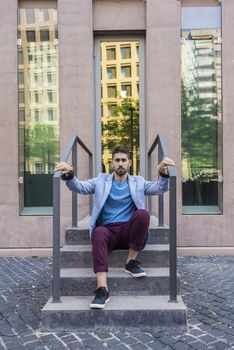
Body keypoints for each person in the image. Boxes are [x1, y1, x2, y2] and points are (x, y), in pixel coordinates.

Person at [55, 146, 175, 310]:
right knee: (98, 232)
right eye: (117, 160)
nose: (120, 164)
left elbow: (160, 188)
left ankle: (130, 261)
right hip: (108, 232)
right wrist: (69, 175)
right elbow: (80, 187)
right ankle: (102, 290)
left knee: (142, 214)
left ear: (129, 163)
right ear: (111, 163)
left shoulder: (138, 181)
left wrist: (163, 173)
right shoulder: (100, 180)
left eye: (123, 160)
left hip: (128, 232)